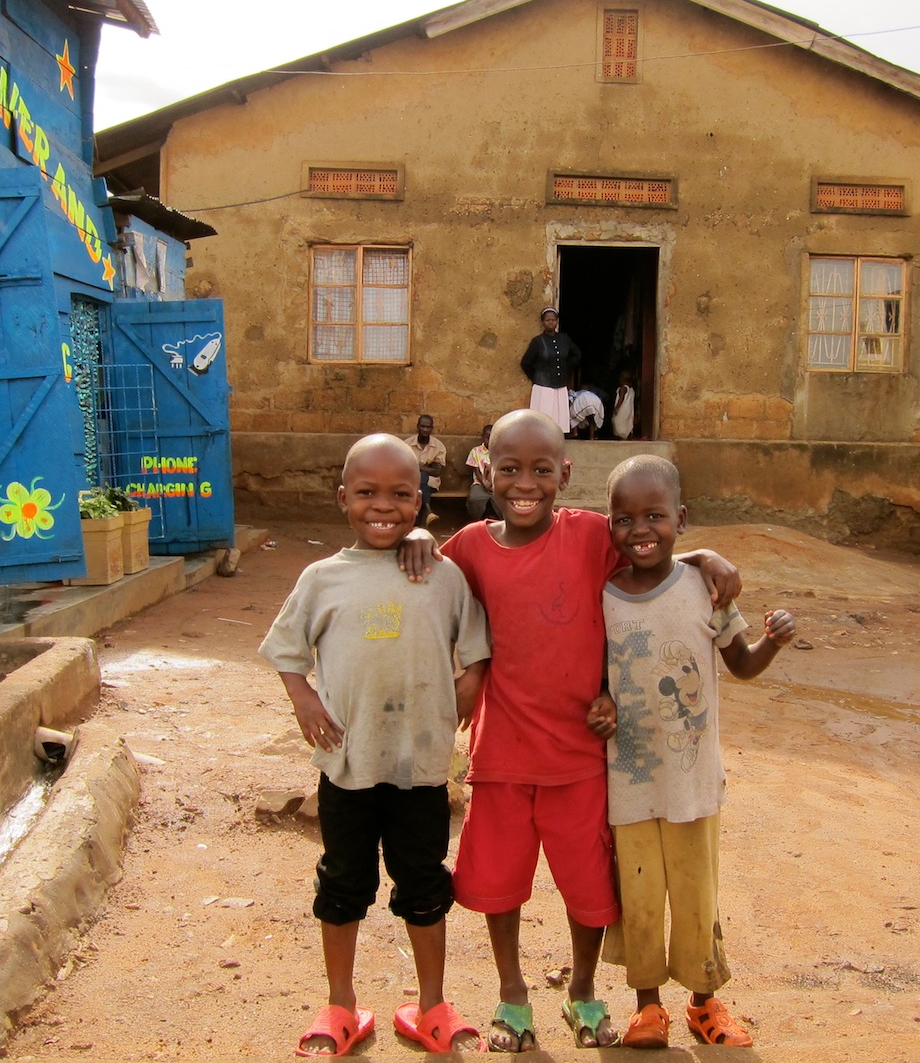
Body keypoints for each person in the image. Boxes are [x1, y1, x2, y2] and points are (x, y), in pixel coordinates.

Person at [396, 409, 741, 1052]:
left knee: (590, 890)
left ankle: (582, 991)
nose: (525, 483)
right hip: (501, 754)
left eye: (542, 470)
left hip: (582, 758)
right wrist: (416, 532)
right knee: (500, 884)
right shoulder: (469, 547)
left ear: (566, 474)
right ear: (485, 469)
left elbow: (649, 545)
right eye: (509, 468)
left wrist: (702, 552)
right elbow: (429, 588)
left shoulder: (587, 537)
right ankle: (513, 994)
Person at [260, 434, 490, 1056]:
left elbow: (475, 648)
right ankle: (340, 1006)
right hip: (348, 768)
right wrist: (303, 698)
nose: (382, 506)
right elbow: (286, 652)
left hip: (419, 770)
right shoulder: (321, 579)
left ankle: (433, 1005)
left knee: (423, 883)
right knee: (342, 883)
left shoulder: (442, 577)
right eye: (366, 493)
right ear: (343, 498)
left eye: (399, 494)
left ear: (421, 501)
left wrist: (468, 685)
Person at [587, 454, 796, 1051]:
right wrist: (602, 708)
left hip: (695, 780)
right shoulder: (603, 598)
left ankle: (705, 1002)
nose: (640, 530)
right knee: (641, 896)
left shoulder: (705, 588)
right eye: (623, 519)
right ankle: (648, 1008)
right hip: (629, 779)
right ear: (608, 526)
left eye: (655, 515)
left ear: (681, 518)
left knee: (697, 893)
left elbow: (743, 664)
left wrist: (772, 643)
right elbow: (597, 680)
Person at [520, 308, 580, 433]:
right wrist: (536, 376)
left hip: (560, 386)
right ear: (543, 322)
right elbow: (526, 362)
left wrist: (566, 369)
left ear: (557, 321)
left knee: (558, 422)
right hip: (543, 388)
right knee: (542, 425)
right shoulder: (537, 341)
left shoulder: (564, 339)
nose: (551, 322)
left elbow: (577, 354)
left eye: (553, 320)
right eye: (548, 320)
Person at [403, 414, 446, 528]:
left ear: (432, 428)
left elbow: (437, 472)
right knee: (420, 481)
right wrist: (428, 468)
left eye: (428, 427)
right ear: (417, 427)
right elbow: (404, 468)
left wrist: (416, 466)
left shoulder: (438, 446)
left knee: (421, 478)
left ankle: (415, 525)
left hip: (432, 481)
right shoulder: (407, 444)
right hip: (410, 481)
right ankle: (428, 511)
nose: (425, 430)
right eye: (422, 426)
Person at [464, 423, 498, 521]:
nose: (490, 441)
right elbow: (477, 471)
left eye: (493, 438)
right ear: (482, 437)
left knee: (500, 498)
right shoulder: (475, 451)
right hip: (480, 482)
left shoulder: (500, 451)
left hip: (497, 482)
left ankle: (498, 519)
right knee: (475, 498)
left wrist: (493, 484)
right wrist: (485, 484)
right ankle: (476, 519)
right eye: (487, 437)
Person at [611, 371, 636, 440]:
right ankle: (626, 437)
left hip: (621, 410)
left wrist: (616, 408)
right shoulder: (631, 390)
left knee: (618, 422)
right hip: (628, 411)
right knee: (627, 423)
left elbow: (621, 399)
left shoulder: (623, 388)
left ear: (622, 379)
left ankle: (621, 437)